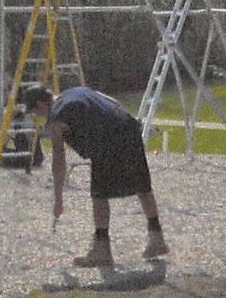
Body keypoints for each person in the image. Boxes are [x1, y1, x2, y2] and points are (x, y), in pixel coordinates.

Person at [20, 83, 169, 267]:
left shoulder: (56, 120)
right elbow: (112, 101)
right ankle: (157, 238)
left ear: (41, 103)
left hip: (106, 141)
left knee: (99, 196)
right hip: (128, 128)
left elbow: (59, 160)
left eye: (35, 111)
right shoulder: (78, 90)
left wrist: (58, 198)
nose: (37, 116)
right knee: (143, 187)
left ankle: (102, 249)